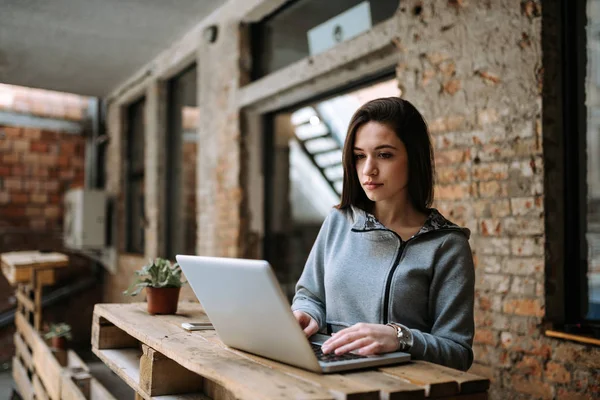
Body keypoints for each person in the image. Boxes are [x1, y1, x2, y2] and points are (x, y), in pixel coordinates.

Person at [291, 97, 475, 371]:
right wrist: (307, 314)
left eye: (384, 155)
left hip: (401, 388)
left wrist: (401, 337)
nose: (368, 170)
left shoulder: (447, 245)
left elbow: (458, 352)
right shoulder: (338, 221)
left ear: (413, 157)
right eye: (359, 156)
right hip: (328, 374)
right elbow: (310, 295)